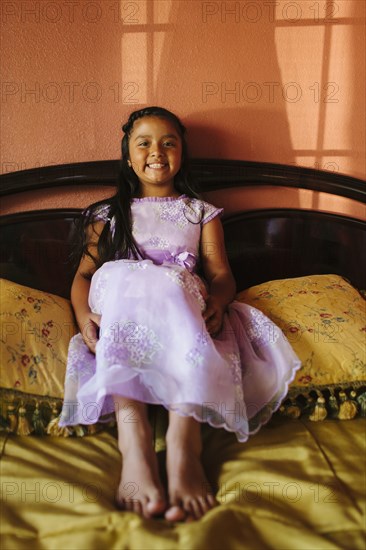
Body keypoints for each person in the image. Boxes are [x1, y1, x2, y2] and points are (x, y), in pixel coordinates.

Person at [59, 106, 301, 522]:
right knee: (124, 275)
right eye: (144, 143)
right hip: (121, 307)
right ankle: (133, 442)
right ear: (128, 156)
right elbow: (83, 276)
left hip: (180, 302)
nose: (157, 151)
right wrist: (84, 317)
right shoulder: (106, 215)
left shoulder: (199, 213)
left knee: (168, 282)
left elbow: (221, 274)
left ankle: (184, 441)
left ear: (182, 153)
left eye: (169, 142)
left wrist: (220, 302)